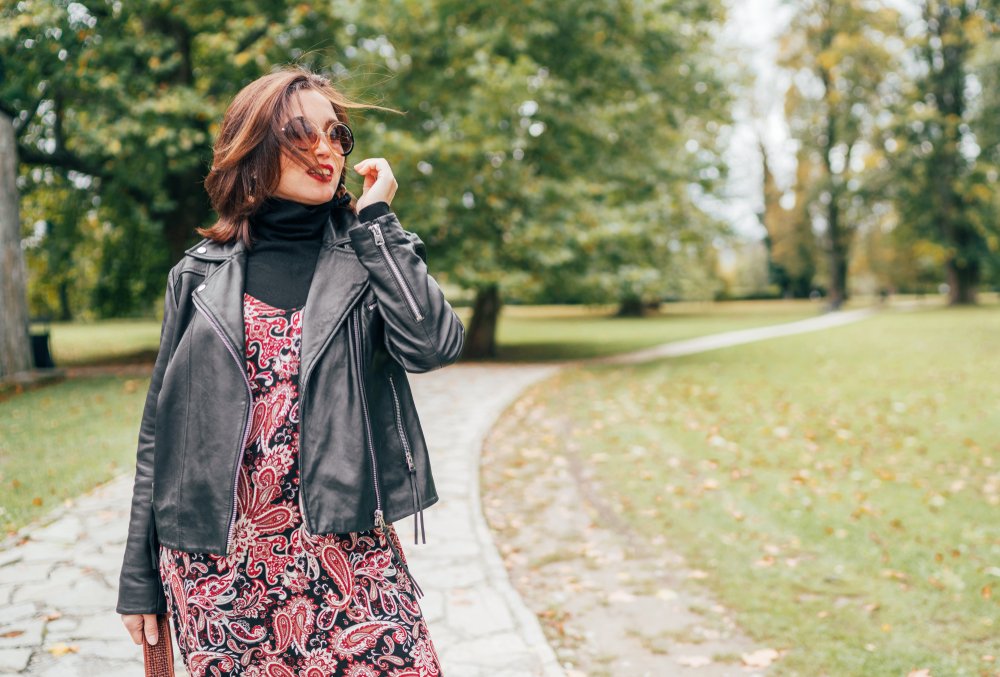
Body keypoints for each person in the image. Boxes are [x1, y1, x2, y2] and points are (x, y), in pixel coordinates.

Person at [116, 64, 464, 675]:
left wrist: (377, 223)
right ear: (255, 148)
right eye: (304, 136)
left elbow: (432, 344)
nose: (326, 149)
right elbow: (158, 435)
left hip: (348, 550)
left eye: (337, 135)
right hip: (216, 566)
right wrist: (138, 577)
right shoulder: (197, 276)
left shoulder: (369, 257)